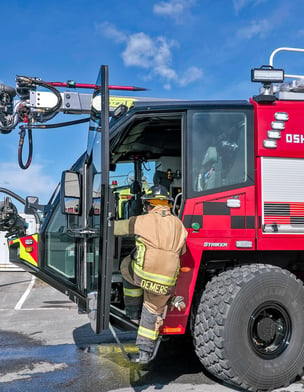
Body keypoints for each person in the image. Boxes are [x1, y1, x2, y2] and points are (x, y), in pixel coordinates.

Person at [114, 184, 188, 364]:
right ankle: (145, 352)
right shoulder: (179, 225)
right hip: (166, 281)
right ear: (168, 204)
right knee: (152, 309)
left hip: (142, 275)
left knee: (125, 266)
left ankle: (132, 312)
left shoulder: (142, 220)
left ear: (149, 205)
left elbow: (116, 229)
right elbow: (183, 251)